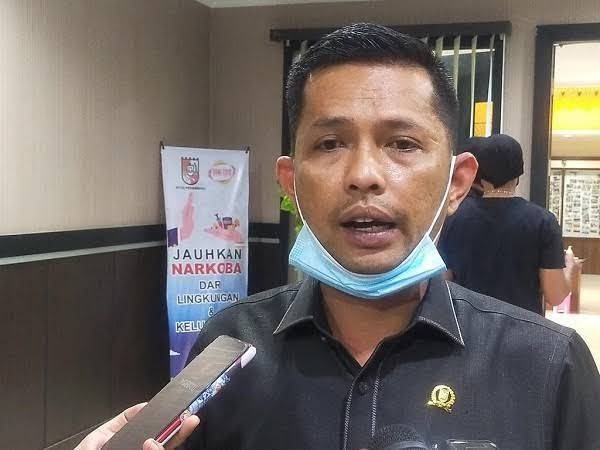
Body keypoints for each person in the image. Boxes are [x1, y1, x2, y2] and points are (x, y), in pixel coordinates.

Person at [77, 23, 600, 450]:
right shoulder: (229, 346)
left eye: (402, 143)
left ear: (457, 183)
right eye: (330, 143)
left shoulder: (548, 365)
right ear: (291, 183)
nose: (363, 175)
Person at [439, 134, 576, 315]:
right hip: (523, 326)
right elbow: (556, 296)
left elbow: (443, 283)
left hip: (466, 323)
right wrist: (570, 268)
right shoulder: (543, 221)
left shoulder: (453, 216)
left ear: (478, 173)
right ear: (518, 175)